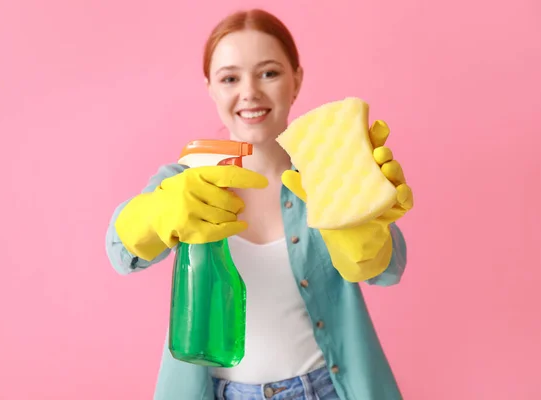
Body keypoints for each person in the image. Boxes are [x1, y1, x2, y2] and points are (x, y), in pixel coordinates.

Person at [105, 8, 414, 400]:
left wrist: (368, 229)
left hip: (327, 389)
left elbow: (389, 269)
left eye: (269, 72)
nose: (249, 91)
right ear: (210, 88)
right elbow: (119, 253)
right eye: (230, 78)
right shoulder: (184, 180)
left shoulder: (330, 173)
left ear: (296, 79)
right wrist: (151, 218)